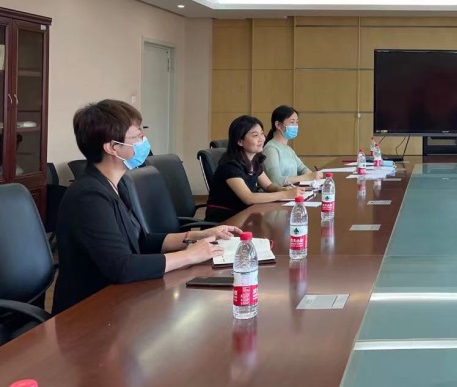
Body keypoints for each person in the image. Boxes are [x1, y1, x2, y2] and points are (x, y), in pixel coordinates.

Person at [53, 100, 239, 315]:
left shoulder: (118, 184)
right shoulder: (88, 196)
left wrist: (196, 236)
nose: (144, 142)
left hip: (120, 299)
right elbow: (122, 267)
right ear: (112, 147)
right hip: (88, 312)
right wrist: (190, 256)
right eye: (137, 136)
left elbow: (140, 240)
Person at [205, 115, 293, 222]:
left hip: (244, 215)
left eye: (261, 133)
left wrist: (283, 189)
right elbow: (248, 198)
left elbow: (268, 186)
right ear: (240, 141)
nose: (261, 139)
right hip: (225, 220)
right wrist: (283, 195)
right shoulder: (230, 165)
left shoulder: (255, 160)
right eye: (255, 135)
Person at [262, 105, 323, 187]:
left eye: (296, 122)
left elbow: (303, 169)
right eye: (292, 122)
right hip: (280, 193)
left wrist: (312, 175)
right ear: (278, 124)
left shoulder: (288, 149)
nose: (295, 126)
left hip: (292, 191)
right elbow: (276, 181)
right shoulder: (270, 149)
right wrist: (307, 177)